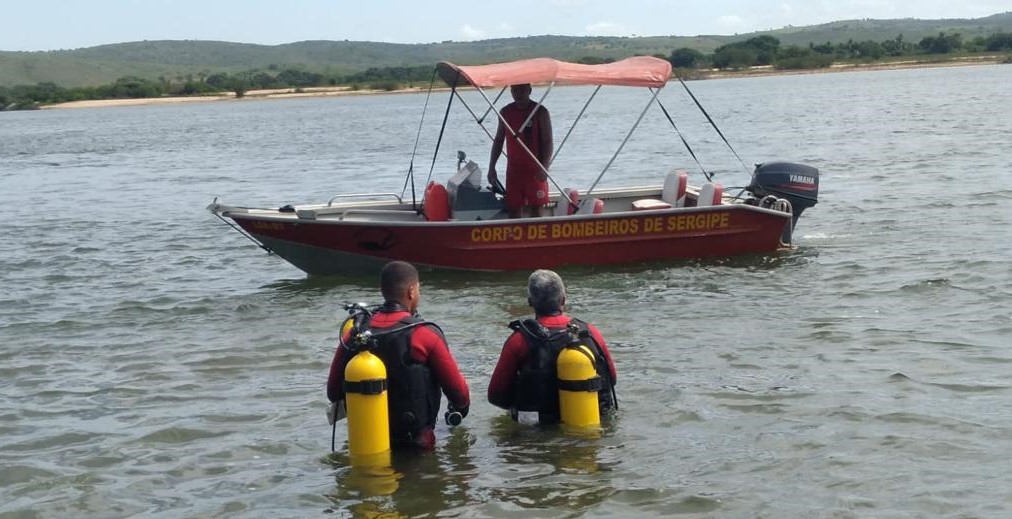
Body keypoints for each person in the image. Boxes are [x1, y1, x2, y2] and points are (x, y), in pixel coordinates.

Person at [327, 261, 470, 450]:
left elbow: (333, 393)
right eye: (418, 289)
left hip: (366, 443)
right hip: (416, 449)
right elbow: (460, 396)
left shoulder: (355, 334)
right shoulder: (424, 334)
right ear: (411, 291)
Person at [487, 269, 617, 425]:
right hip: (588, 423)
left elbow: (496, 396)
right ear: (563, 299)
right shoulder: (590, 333)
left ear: (530, 302)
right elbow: (611, 380)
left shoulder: (519, 340)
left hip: (537, 431)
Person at [488, 83, 554, 218]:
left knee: (536, 210)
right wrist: (492, 167)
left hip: (535, 169)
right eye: (515, 90)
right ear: (511, 91)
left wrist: (545, 167)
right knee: (513, 209)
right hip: (514, 170)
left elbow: (548, 141)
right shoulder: (505, 112)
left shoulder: (540, 111)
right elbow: (499, 140)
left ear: (529, 90)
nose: (518, 94)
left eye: (522, 90)